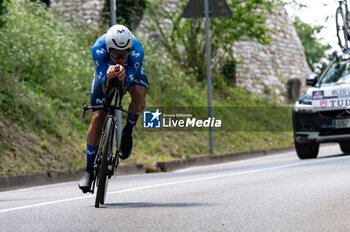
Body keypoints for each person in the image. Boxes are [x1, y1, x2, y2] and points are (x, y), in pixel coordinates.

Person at [79, 24, 148, 192]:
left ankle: (127, 132)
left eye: (124, 54)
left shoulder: (137, 51)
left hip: (132, 71)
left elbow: (131, 74)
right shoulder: (98, 48)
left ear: (130, 50)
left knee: (139, 95)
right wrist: (107, 72)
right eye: (115, 54)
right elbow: (101, 73)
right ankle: (89, 170)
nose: (119, 58)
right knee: (97, 117)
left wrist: (125, 73)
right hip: (104, 69)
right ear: (108, 49)